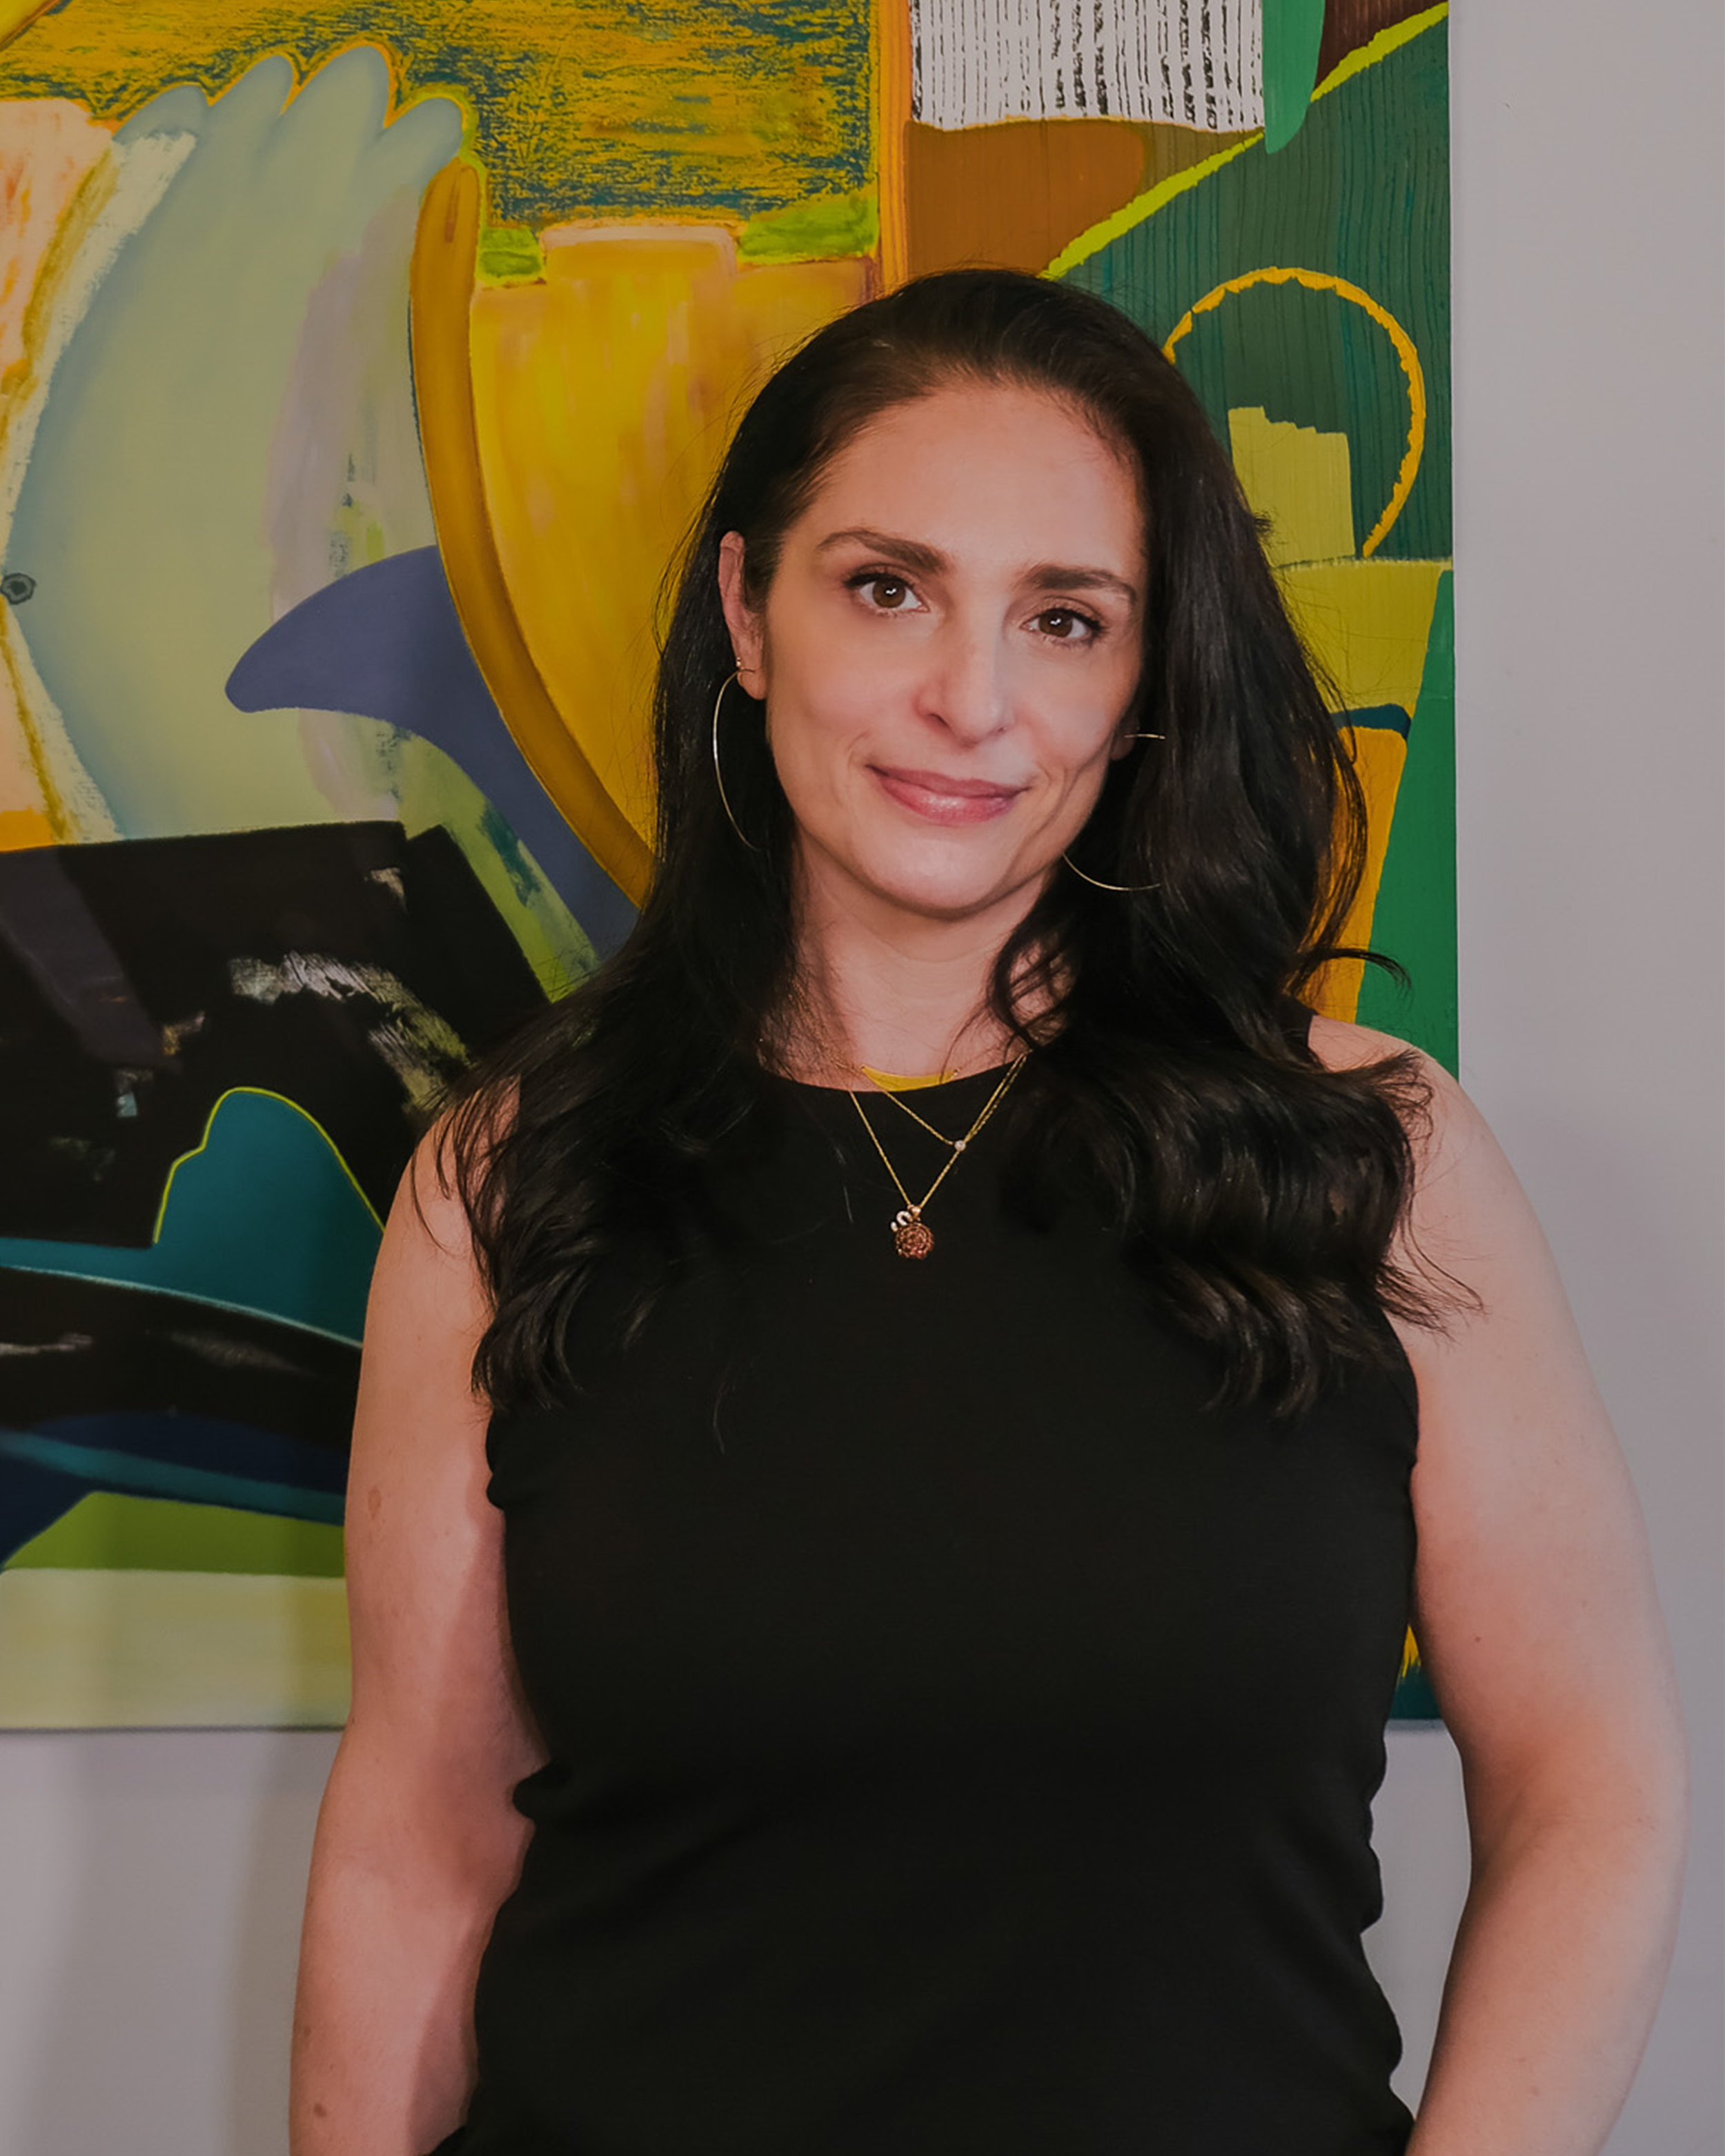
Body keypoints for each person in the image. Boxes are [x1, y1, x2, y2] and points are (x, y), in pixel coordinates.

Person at [290, 268, 1687, 2156]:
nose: (972, 695)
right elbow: (416, 1851)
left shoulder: (1366, 1156)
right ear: (746, 612)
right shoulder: (509, 1178)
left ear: (1142, 679)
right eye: (888, 586)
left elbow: (1590, 1786)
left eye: (1065, 617)